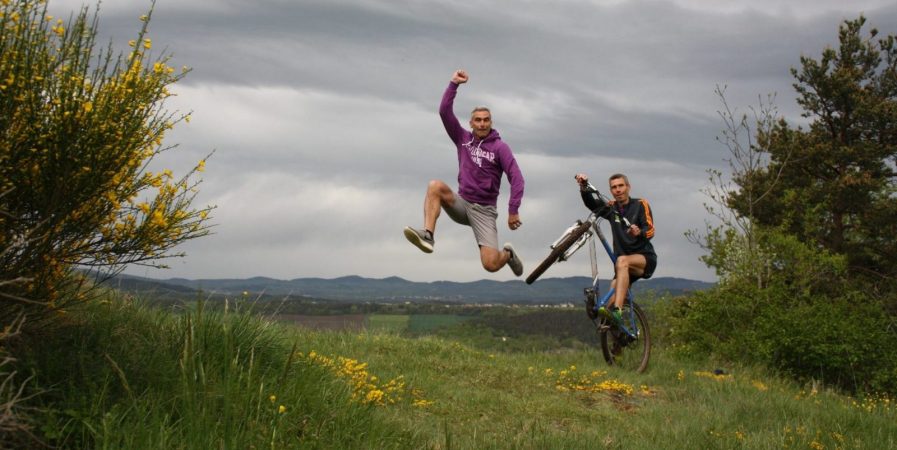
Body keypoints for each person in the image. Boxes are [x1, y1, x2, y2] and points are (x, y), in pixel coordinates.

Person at [404, 69, 525, 276]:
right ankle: (428, 235)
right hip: (462, 203)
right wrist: (454, 84)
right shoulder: (462, 138)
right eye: (477, 120)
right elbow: (444, 112)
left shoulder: (500, 148)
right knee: (435, 186)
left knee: (490, 265)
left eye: (486, 120)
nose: (482, 123)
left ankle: (508, 255)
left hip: (485, 211)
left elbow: (517, 178)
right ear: (471, 123)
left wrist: (513, 210)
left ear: (491, 122)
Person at [575, 173, 656, 323]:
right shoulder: (612, 208)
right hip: (622, 268)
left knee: (622, 261)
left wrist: (640, 232)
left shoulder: (640, 204)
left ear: (628, 187)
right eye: (614, 187)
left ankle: (618, 311)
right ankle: (615, 334)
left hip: (644, 259)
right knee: (612, 295)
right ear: (611, 191)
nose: (618, 190)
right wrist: (583, 187)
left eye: (621, 186)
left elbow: (650, 229)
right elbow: (593, 205)